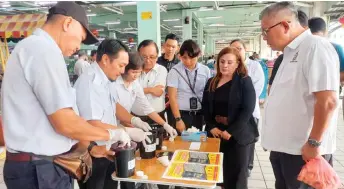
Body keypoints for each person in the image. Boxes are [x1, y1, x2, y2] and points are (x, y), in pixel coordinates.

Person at [1, 2, 128, 189]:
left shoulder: (37, 49)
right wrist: (112, 133)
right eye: (81, 38)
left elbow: (59, 118)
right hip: (38, 170)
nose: (79, 47)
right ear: (67, 23)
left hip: (43, 166)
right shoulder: (42, 50)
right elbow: (65, 122)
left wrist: (92, 146)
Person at [260, 2, 339, 189]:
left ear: (285, 26)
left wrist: (313, 142)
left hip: (303, 153)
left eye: (265, 32)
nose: (264, 38)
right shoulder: (288, 54)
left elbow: (327, 101)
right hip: (285, 150)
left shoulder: (315, 47)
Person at [74, 39, 150, 189]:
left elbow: (114, 106)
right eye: (121, 65)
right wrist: (123, 131)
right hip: (92, 151)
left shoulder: (109, 80)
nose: (123, 71)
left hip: (108, 147)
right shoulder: (90, 82)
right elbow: (92, 123)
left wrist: (134, 120)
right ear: (105, 60)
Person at [202, 47, 258, 189]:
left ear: (238, 63)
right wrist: (211, 126)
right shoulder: (212, 81)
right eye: (222, 61)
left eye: (229, 62)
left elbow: (247, 109)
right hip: (217, 134)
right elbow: (205, 106)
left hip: (238, 134)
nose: (225, 65)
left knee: (237, 175)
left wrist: (231, 131)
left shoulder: (244, 81)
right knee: (220, 173)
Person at [114, 52, 177, 137]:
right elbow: (114, 108)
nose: (136, 75)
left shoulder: (135, 84)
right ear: (124, 69)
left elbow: (147, 107)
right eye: (134, 72)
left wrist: (165, 124)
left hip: (124, 122)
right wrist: (133, 121)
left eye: (139, 72)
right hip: (110, 123)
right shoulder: (114, 83)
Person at [230, 39, 265, 176]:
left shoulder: (255, 66)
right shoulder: (228, 65)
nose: (236, 51)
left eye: (239, 48)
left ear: (245, 50)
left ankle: (247, 168)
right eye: (233, 48)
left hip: (250, 112)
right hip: (231, 113)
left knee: (248, 141)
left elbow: (255, 90)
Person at [167, 39, 211, 134]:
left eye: (192, 58)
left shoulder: (205, 70)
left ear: (198, 55)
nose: (188, 61)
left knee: (196, 144)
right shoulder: (174, 71)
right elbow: (172, 97)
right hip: (181, 114)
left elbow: (208, 93)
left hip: (198, 115)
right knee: (180, 145)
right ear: (180, 56)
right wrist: (178, 119)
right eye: (185, 57)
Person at [268, 9, 309, 94]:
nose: (265, 37)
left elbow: (328, 101)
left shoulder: (315, 50)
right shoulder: (282, 58)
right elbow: (271, 89)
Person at [132, 40, 167, 124]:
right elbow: (131, 91)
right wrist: (151, 90)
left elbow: (158, 92)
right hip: (136, 118)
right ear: (138, 55)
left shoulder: (161, 70)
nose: (147, 60)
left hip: (158, 117)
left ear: (157, 56)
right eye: (144, 57)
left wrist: (139, 90)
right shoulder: (132, 70)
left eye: (152, 57)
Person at [308, 17, 344, 96]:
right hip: (329, 93)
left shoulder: (301, 48)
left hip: (308, 93)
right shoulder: (336, 48)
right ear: (325, 32)